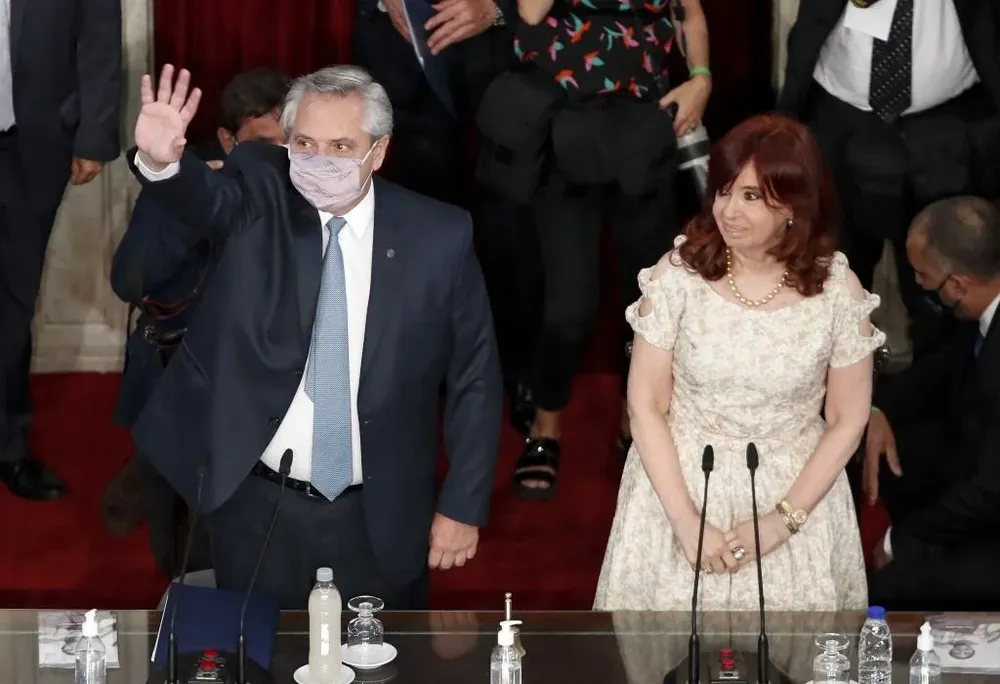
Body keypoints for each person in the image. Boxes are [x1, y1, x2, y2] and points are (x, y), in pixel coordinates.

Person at [124, 63, 503, 609]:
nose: (319, 162)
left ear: (379, 151)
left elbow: (475, 377)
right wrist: (162, 164)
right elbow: (207, 200)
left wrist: (463, 505)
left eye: (341, 146)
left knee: (380, 664)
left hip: (379, 509)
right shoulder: (261, 190)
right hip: (255, 500)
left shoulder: (439, 236)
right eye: (304, 143)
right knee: (257, 659)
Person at [593, 114, 883, 611]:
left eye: (751, 196)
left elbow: (847, 417)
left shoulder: (838, 289)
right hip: (679, 481)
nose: (728, 210)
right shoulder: (678, 274)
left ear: (793, 205)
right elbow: (644, 405)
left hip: (795, 487)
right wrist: (686, 523)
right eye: (724, 190)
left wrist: (783, 519)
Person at [478, 0, 712, 499]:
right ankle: (546, 425)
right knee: (569, 306)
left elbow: (689, 13)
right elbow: (533, 12)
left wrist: (701, 77)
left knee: (650, 300)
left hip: (646, 130)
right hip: (564, 130)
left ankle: (637, 419)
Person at [102, 68, 291, 574]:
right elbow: (128, 280)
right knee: (179, 552)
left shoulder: (314, 187)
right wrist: (191, 206)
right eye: (267, 145)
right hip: (175, 376)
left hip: (263, 403)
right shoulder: (187, 181)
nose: (285, 158)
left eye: (294, 142)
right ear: (229, 140)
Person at [779, 0, 1000, 356]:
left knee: (940, 292)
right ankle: (834, 391)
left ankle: (933, 398)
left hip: (945, 129)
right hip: (839, 119)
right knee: (830, 275)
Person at [0, 0, 122, 501]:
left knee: (12, 303)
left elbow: (98, 36)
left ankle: (8, 446)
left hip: (29, 143)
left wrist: (94, 133)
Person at [865, 196, 1000, 611]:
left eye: (923, 276)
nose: (919, 285)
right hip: (975, 476)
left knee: (885, 591)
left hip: (990, 517)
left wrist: (896, 542)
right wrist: (874, 409)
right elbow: (938, 374)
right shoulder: (977, 318)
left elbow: (989, 492)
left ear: (957, 284)